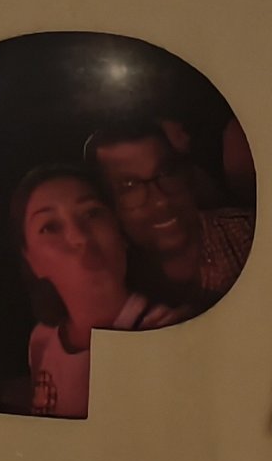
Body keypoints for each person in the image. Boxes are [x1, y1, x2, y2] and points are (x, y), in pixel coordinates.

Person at [13, 168, 180, 418]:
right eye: (50, 227)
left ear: (120, 233)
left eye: (92, 213)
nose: (79, 236)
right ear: (32, 261)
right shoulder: (42, 340)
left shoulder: (166, 334)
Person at [88, 116, 253, 313]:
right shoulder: (110, 284)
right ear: (108, 203)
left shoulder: (250, 233)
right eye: (130, 186)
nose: (161, 200)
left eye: (166, 173)